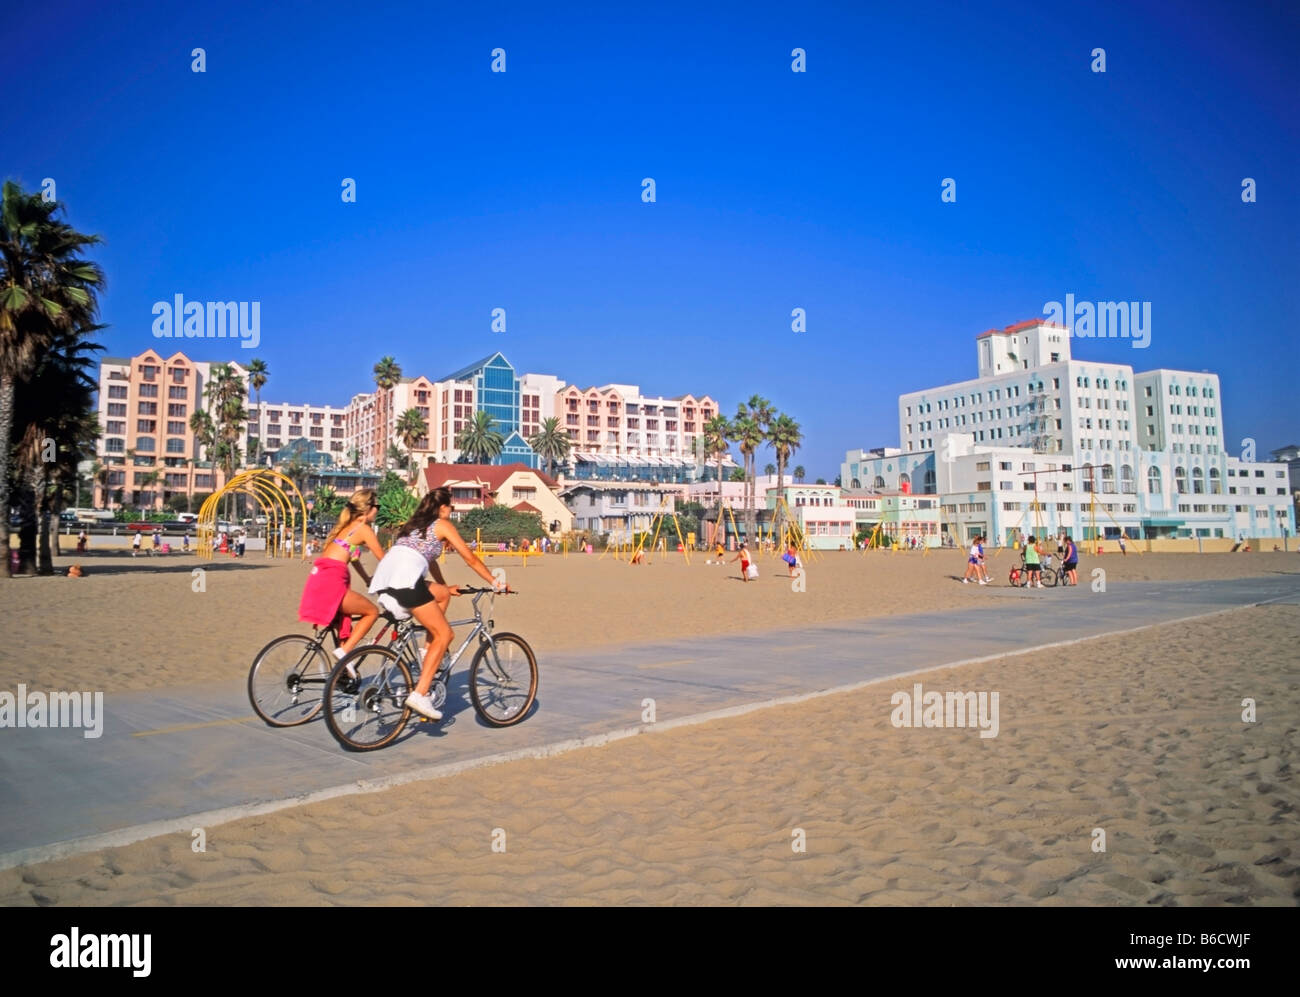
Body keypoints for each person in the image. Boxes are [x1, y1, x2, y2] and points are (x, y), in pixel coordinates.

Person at [369, 486, 508, 721]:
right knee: (445, 635)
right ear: (443, 508)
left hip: (385, 580)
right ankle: (420, 694)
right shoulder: (442, 525)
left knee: (441, 595)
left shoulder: (413, 526)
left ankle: (427, 650)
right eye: (451, 507)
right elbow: (470, 558)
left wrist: (445, 587)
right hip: (406, 582)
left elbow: (429, 560)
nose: (451, 511)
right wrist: (495, 581)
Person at [297, 488, 384, 665]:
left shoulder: (346, 528)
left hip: (319, 578)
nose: (378, 510)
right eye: (378, 506)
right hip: (332, 581)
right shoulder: (364, 529)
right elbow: (384, 558)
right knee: (372, 612)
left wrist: (368, 579)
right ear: (367, 509)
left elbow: (353, 558)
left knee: (345, 623)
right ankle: (344, 652)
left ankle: (343, 670)